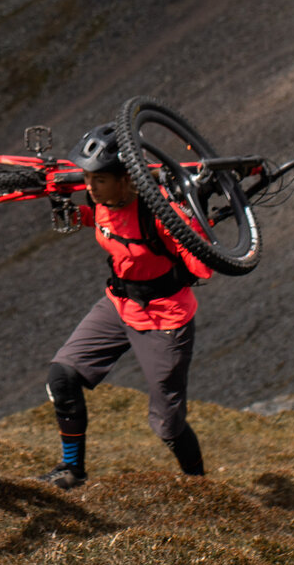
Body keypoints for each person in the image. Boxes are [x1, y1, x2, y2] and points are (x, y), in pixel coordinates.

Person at [40, 123, 214, 489]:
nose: (90, 187)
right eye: (87, 178)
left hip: (165, 318)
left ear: (127, 180)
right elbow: (105, 222)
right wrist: (76, 214)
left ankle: (200, 487)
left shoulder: (160, 213)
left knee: (168, 426)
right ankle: (72, 471)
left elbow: (203, 266)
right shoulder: (102, 200)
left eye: (99, 180)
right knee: (62, 375)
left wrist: (192, 225)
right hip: (119, 305)